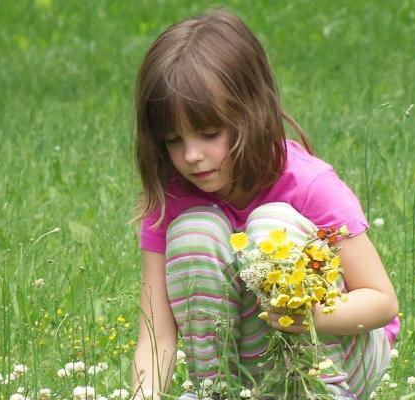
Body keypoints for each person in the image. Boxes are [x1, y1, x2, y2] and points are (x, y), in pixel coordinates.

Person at [130, 8, 399, 400]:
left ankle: (312, 394)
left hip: (339, 354)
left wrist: (306, 315)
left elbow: (382, 301)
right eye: (174, 140)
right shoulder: (172, 199)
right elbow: (156, 336)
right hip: (249, 372)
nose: (192, 156)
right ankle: (217, 392)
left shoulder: (309, 185)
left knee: (270, 225)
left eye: (209, 133)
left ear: (251, 113)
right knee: (192, 231)